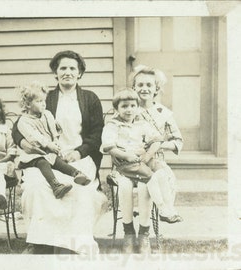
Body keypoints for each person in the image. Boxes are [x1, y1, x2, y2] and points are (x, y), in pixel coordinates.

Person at [12, 50, 106, 255]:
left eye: (73, 68)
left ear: (80, 73)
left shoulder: (90, 99)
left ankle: (74, 243)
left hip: (78, 157)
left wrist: (78, 153)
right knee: (37, 187)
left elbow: (97, 134)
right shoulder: (45, 97)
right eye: (62, 68)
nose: (68, 72)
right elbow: (19, 126)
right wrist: (23, 143)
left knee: (80, 190)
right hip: (45, 157)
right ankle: (40, 242)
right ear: (56, 72)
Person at [113, 65, 184, 254]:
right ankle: (128, 233)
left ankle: (144, 234)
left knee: (147, 185)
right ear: (134, 87)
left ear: (156, 89)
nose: (144, 88)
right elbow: (112, 138)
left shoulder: (164, 113)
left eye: (149, 85)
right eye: (140, 84)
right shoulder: (126, 109)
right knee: (125, 185)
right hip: (127, 162)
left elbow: (178, 141)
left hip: (154, 162)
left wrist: (156, 146)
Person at [101, 89, 183, 224]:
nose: (129, 110)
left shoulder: (141, 123)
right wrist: (127, 156)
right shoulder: (113, 125)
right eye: (124, 106)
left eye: (133, 106)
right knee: (151, 177)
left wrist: (148, 154)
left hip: (141, 160)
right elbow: (109, 147)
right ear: (117, 108)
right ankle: (162, 209)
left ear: (137, 107)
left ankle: (169, 208)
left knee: (162, 173)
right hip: (125, 163)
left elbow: (156, 139)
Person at [16, 82, 91, 199]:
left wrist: (55, 141)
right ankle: (56, 186)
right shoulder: (24, 121)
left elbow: (53, 129)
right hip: (33, 154)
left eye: (43, 101)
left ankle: (77, 174)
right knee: (42, 162)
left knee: (57, 161)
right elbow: (34, 137)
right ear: (28, 104)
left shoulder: (47, 114)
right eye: (39, 101)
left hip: (48, 151)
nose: (43, 104)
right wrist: (49, 144)